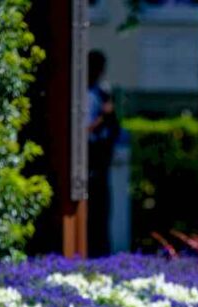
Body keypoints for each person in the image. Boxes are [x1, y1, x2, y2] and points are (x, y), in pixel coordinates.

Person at [87, 50, 120, 258]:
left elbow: (114, 127)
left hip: (100, 157)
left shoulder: (102, 92)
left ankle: (101, 252)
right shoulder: (84, 93)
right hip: (87, 154)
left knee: (101, 208)